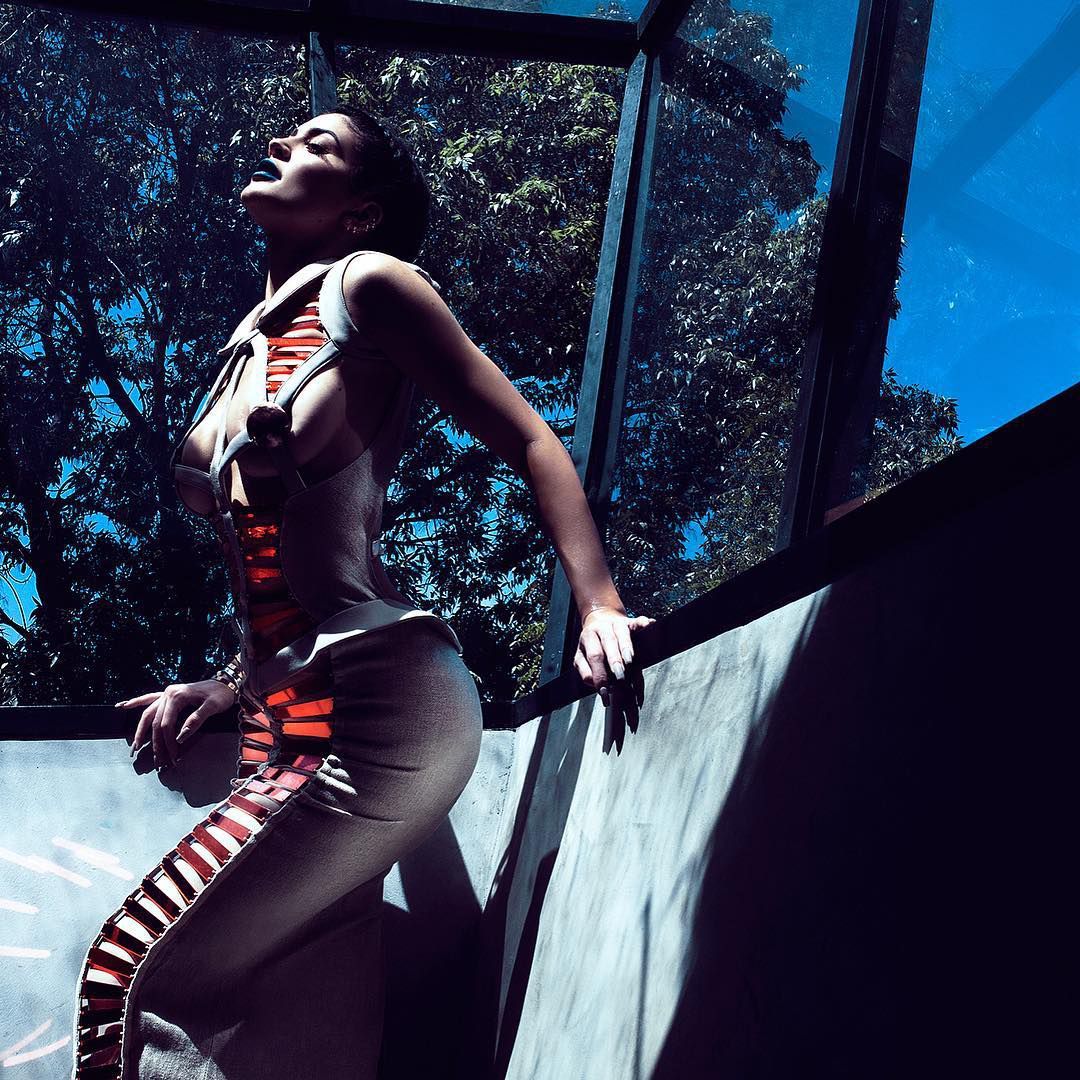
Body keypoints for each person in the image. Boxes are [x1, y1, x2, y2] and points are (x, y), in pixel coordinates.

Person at [70, 105, 654, 1079]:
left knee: (133, 970)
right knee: (303, 1000)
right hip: (294, 711)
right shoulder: (246, 347)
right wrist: (226, 684)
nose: (281, 146)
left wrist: (596, 603)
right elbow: (279, 563)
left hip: (383, 703)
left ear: (361, 210)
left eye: (319, 146)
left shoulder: (371, 287)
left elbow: (529, 437)